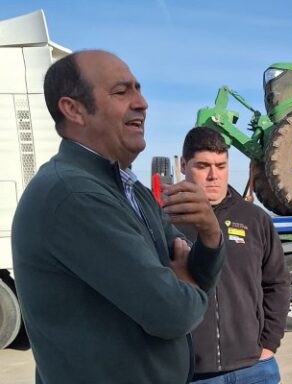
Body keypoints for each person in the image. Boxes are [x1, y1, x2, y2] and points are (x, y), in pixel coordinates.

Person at [11, 50, 225, 384]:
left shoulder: (128, 188)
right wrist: (182, 283)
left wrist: (210, 235)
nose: (142, 103)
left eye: (138, 89)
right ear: (74, 110)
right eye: (121, 92)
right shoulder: (74, 195)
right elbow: (172, 314)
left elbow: (189, 276)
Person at [176, 127, 289, 384]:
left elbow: (277, 282)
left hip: (255, 368)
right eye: (203, 166)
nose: (214, 176)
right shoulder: (167, 221)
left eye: (221, 165)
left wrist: (269, 343)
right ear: (184, 165)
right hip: (193, 374)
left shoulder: (254, 219)